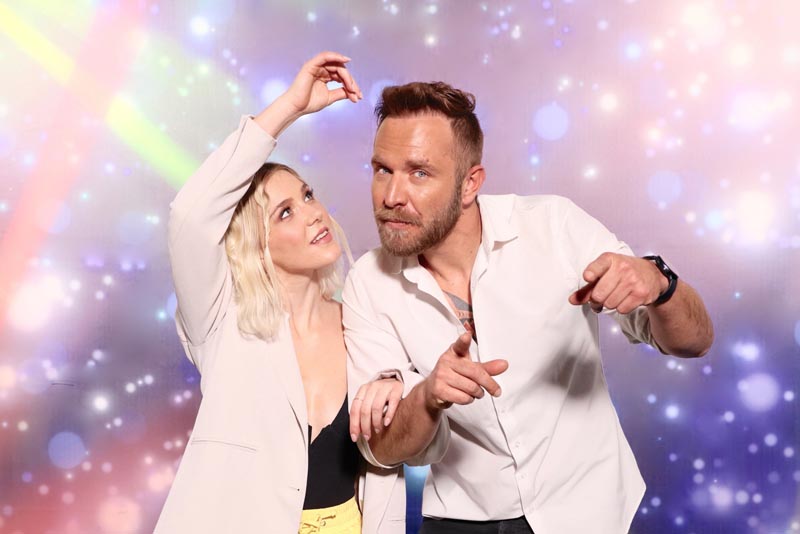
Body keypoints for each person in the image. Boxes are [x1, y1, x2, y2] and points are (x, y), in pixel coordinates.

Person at [346, 81, 714, 534]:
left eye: (419, 173)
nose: (391, 196)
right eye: (382, 170)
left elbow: (694, 342)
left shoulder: (554, 227)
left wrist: (661, 284)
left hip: (587, 513)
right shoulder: (368, 282)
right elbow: (382, 450)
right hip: (462, 520)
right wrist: (427, 397)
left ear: (470, 184)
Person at [155, 52, 406, 534]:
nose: (313, 213)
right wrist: (291, 107)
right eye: (285, 212)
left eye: (308, 195)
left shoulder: (363, 321)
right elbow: (189, 217)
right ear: (257, 243)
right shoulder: (224, 323)